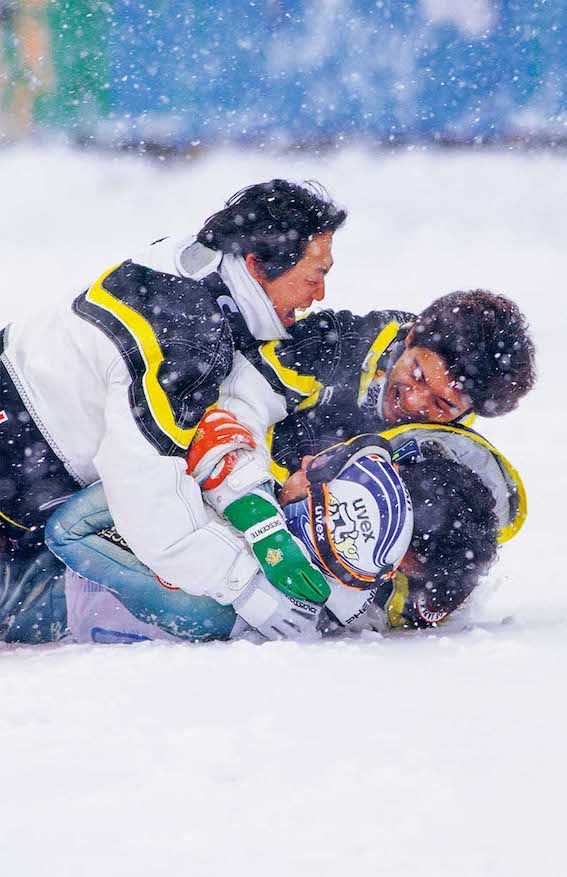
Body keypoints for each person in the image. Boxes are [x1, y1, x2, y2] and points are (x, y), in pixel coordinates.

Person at [0, 180, 347, 638]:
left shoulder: (196, 268)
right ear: (257, 266)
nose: (320, 294)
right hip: (20, 461)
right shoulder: (187, 340)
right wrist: (245, 588)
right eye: (312, 276)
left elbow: (211, 417)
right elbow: (146, 500)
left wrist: (258, 519)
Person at [32, 423, 504, 645]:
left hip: (27, 588)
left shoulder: (236, 607)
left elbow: (70, 530)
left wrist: (224, 490)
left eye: (333, 472)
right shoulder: (324, 583)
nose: (309, 461)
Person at [257, 289, 536, 476]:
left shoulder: (443, 456)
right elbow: (234, 410)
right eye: (417, 375)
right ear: (411, 336)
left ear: (467, 412)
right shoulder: (331, 342)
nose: (414, 402)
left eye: (441, 403)